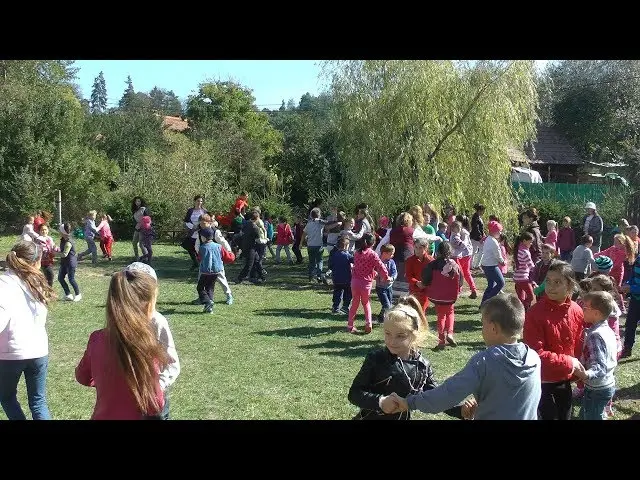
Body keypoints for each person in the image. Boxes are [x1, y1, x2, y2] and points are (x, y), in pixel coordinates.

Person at [385, 294, 541, 420]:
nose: (482, 329)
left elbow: (446, 395)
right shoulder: (534, 358)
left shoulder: (484, 362)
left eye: (483, 324)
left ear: (493, 328)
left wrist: (409, 402)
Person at [348, 296, 464, 420]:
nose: (392, 341)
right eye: (387, 333)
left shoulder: (422, 366)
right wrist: (380, 402)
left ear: (415, 334)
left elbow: (435, 397)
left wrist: (460, 410)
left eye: (400, 336)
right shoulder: (376, 359)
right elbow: (355, 393)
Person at [75, 269, 170, 420]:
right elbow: (155, 404)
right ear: (147, 306)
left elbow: (82, 376)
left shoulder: (96, 338)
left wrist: (108, 383)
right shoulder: (147, 346)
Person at [523, 260, 585, 420]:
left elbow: (577, 344)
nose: (550, 286)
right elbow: (535, 353)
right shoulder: (535, 313)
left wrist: (577, 370)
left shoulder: (577, 310)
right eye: (548, 281)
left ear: (570, 286)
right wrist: (569, 362)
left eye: (557, 282)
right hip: (542, 381)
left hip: (565, 379)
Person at [0, 240, 55, 420]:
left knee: (7, 397)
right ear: (36, 262)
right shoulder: (38, 283)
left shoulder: (4, 283)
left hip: (11, 353)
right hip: (38, 350)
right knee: (38, 401)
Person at [124, 262, 181, 420]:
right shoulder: (120, 321)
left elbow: (171, 363)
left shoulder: (157, 322)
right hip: (124, 397)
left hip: (152, 400)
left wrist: (157, 388)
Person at [574, 291, 618, 420]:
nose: (582, 310)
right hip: (605, 384)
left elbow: (600, 366)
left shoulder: (595, 335)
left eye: (585, 308)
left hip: (598, 388)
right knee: (586, 414)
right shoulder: (607, 330)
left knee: (593, 417)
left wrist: (585, 374)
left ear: (596, 313)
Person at [348, 233, 390, 334]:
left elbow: (357, 266)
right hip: (366, 283)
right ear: (373, 243)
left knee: (354, 303)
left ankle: (350, 325)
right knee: (366, 303)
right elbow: (381, 266)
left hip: (355, 282)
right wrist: (386, 276)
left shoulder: (357, 253)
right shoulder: (372, 254)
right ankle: (368, 323)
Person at [422, 242, 461, 350]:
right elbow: (460, 279)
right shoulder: (454, 264)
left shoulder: (432, 264)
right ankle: (450, 333)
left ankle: (441, 340)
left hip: (437, 296)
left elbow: (426, 278)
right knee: (450, 313)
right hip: (450, 296)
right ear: (450, 252)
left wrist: (426, 284)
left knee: (441, 315)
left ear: (438, 251)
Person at [328, 236, 354, 315]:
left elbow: (330, 266)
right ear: (346, 246)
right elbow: (354, 260)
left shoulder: (333, 255)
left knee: (337, 293)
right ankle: (345, 306)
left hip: (336, 278)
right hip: (346, 278)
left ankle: (335, 307)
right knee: (348, 293)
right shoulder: (347, 255)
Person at [375, 244, 397, 323]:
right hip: (380, 287)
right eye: (391, 254)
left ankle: (380, 318)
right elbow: (373, 271)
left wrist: (392, 278)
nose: (392, 255)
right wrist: (377, 275)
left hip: (389, 287)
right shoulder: (377, 262)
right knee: (387, 304)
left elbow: (394, 272)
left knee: (388, 303)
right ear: (384, 253)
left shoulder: (391, 262)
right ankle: (386, 319)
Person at [131, 196, 149, 261]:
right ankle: (137, 257)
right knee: (134, 242)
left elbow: (148, 219)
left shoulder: (144, 209)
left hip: (143, 228)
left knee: (141, 244)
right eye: (136, 201)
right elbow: (135, 219)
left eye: (139, 201)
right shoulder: (134, 210)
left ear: (141, 202)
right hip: (137, 227)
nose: (137, 202)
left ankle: (147, 258)